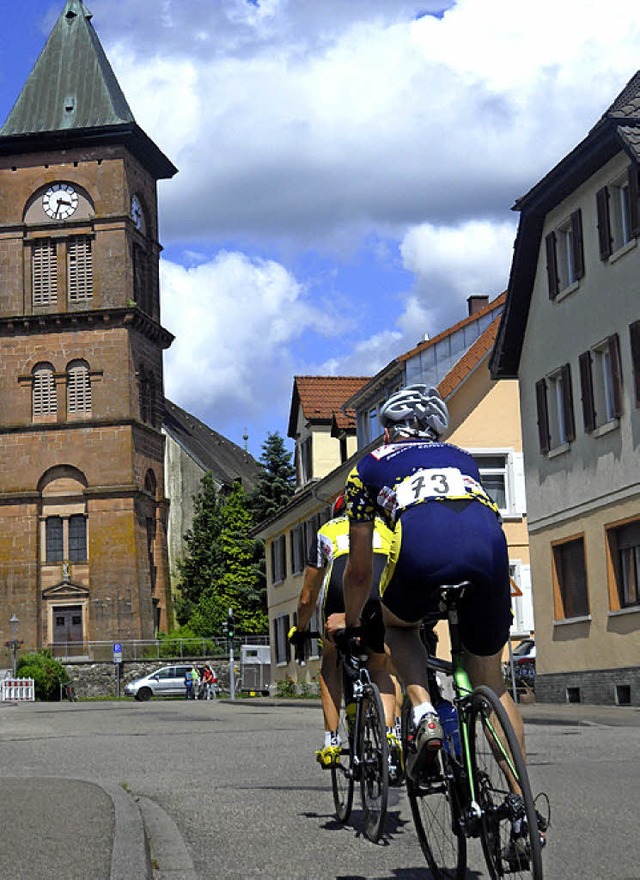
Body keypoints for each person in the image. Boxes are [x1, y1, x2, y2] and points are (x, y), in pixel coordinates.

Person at [342, 384, 523, 786]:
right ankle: (520, 810)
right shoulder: (463, 458)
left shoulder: (369, 464)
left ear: (388, 430)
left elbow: (358, 572)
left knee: (397, 626)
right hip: (490, 548)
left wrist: (355, 623)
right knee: (491, 682)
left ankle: (423, 709)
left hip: (420, 547)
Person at [289, 496, 400, 780]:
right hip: (384, 587)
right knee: (381, 662)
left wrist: (301, 629)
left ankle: (331, 741)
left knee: (330, 660)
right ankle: (391, 734)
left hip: (342, 584)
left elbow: (307, 596)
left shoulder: (327, 530)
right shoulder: (386, 529)